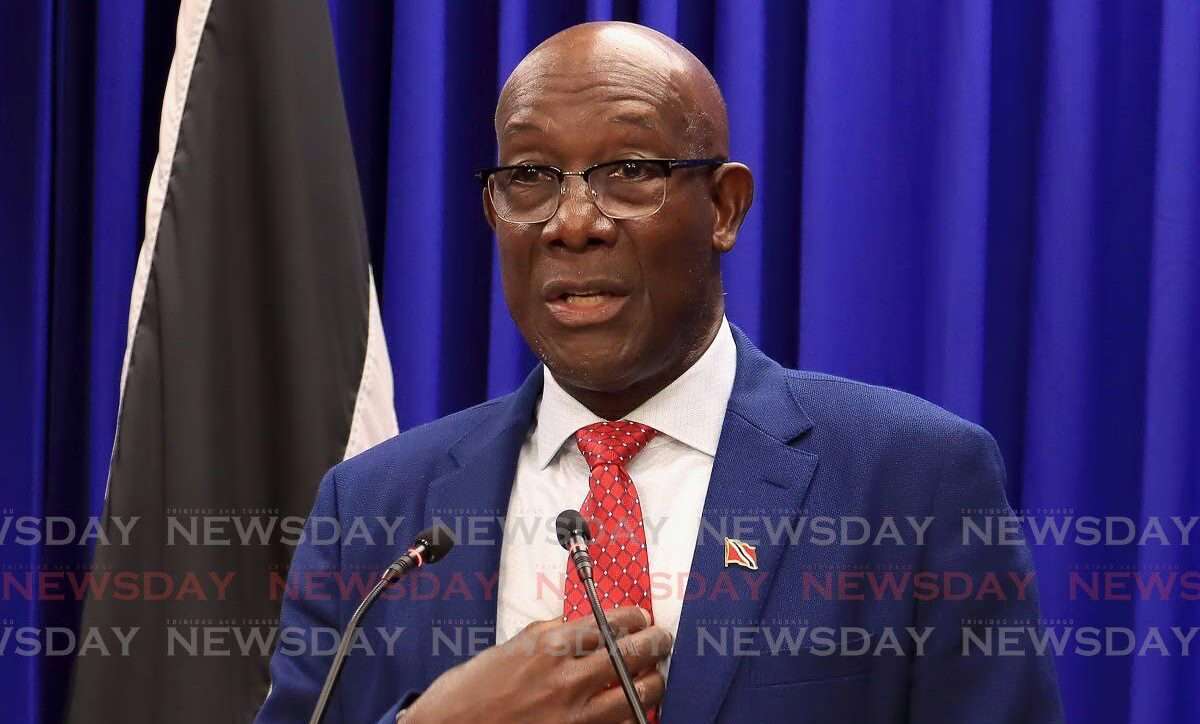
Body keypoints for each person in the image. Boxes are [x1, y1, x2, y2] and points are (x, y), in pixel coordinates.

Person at [257, 21, 1063, 724]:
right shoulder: (372, 510)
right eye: (530, 177)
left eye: (630, 170)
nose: (573, 224)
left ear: (725, 208)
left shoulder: (911, 479)